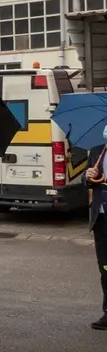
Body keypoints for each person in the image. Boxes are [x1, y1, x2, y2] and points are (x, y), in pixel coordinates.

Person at [86, 127, 107, 331]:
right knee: (106, 268)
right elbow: (88, 185)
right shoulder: (96, 151)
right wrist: (89, 176)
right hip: (101, 219)